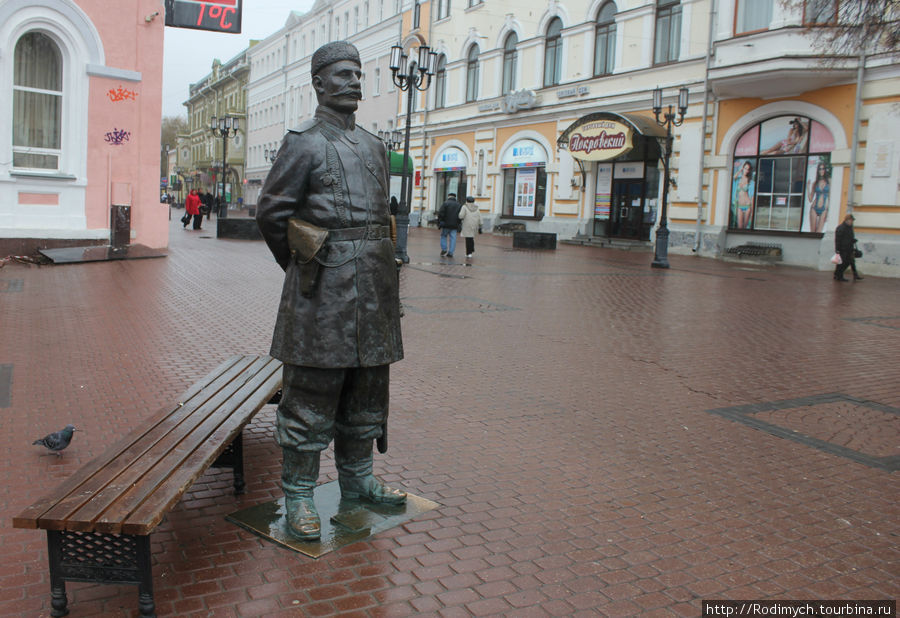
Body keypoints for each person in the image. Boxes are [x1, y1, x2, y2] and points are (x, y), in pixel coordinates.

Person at [256, 41, 405, 541]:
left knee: (367, 390)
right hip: (322, 292)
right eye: (342, 74)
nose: (354, 82)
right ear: (319, 83)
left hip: (374, 289)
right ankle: (299, 492)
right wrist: (303, 267)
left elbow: (386, 217)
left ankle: (358, 480)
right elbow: (272, 213)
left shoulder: (374, 145)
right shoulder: (303, 142)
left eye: (359, 73)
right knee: (312, 395)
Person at [833, 213, 862, 281]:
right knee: (843, 263)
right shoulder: (841, 228)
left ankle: (855, 275)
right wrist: (837, 249)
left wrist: (853, 240)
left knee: (851, 262)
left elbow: (849, 237)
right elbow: (837, 239)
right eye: (851, 220)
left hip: (850, 248)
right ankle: (838, 275)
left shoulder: (850, 227)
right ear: (847, 220)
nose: (852, 222)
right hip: (843, 249)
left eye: (852, 221)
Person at [807, 162, 830, 233]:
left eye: (823, 169)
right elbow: (810, 199)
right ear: (818, 171)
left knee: (819, 232)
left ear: (825, 170)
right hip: (814, 207)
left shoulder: (829, 181)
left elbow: (830, 197)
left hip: (824, 208)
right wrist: (808, 188)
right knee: (812, 232)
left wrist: (828, 213)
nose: (821, 170)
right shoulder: (815, 183)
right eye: (820, 169)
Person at [437, 193, 461, 257]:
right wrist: (458, 223)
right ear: (455, 197)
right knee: (453, 238)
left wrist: (440, 222)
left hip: (446, 224)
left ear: (448, 196)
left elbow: (441, 213)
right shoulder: (458, 204)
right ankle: (451, 252)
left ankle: (444, 249)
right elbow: (460, 215)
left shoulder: (445, 203)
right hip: (455, 225)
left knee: (443, 236)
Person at [732, 161, 754, 229]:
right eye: (745, 168)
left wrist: (752, 212)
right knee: (739, 227)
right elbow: (734, 177)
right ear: (743, 168)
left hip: (747, 205)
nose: (746, 170)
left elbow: (752, 197)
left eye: (748, 169)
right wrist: (740, 170)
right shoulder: (738, 179)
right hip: (740, 206)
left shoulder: (750, 181)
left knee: (745, 227)